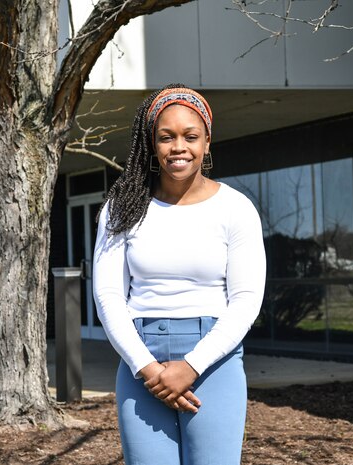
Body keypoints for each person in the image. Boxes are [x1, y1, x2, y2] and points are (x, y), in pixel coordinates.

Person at [92, 84, 266, 465]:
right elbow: (108, 297)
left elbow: (246, 301)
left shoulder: (236, 209)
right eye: (166, 137)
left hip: (213, 361)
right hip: (141, 361)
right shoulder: (122, 209)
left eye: (190, 136)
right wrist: (148, 368)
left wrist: (191, 366)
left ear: (207, 141)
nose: (178, 148)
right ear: (151, 143)